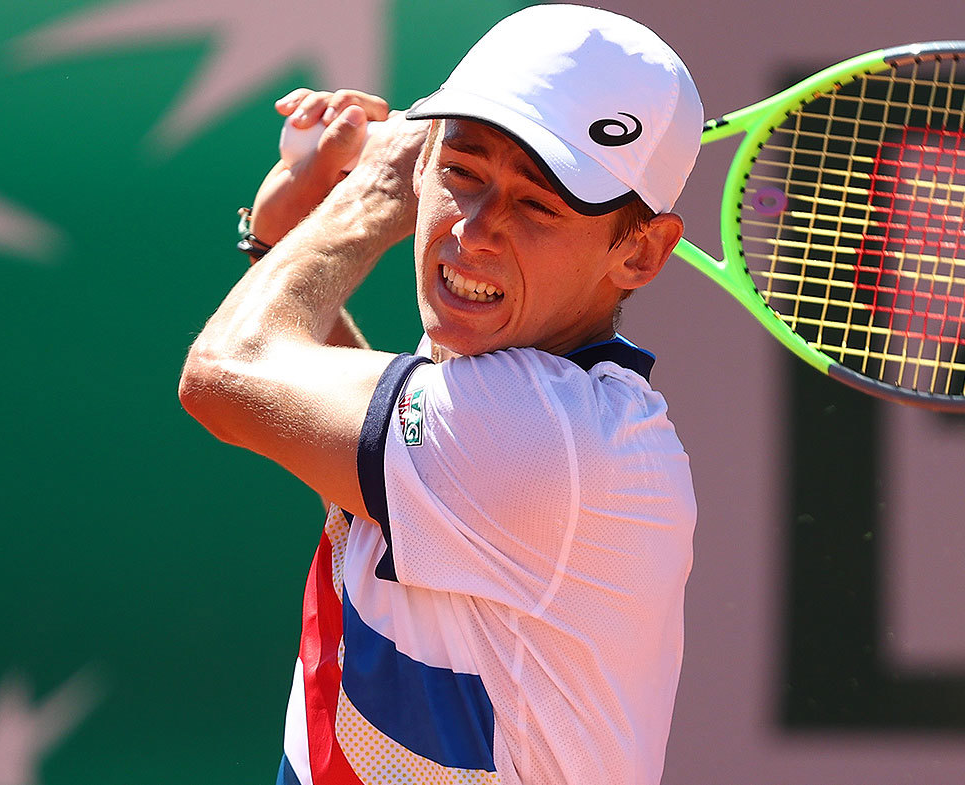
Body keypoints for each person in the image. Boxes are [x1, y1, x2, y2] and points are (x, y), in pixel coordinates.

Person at [179, 5, 702, 784]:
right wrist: (290, 235)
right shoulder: (504, 405)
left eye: (537, 205)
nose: (477, 229)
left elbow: (225, 377)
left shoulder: (554, 441)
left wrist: (362, 203)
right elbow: (380, 488)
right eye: (461, 171)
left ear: (639, 251)